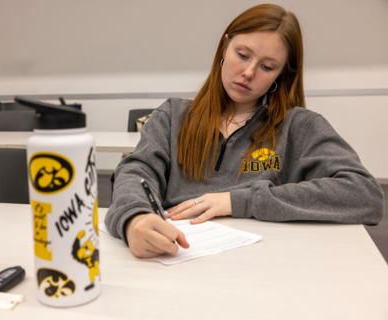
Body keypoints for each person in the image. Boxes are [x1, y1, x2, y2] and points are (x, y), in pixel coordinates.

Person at [104, 4, 384, 258]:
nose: (249, 72)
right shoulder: (173, 115)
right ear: (224, 47)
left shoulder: (301, 126)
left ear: (281, 74)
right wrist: (134, 219)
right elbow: (136, 172)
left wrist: (240, 201)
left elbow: (365, 195)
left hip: (262, 264)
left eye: (266, 66)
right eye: (242, 55)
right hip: (175, 257)